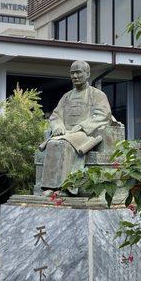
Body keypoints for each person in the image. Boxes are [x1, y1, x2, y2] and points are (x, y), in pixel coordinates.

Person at [39, 60, 112, 191]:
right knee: (53, 143)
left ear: (87, 74)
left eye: (78, 72)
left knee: (62, 144)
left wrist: (83, 126)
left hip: (87, 134)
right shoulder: (66, 97)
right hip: (66, 133)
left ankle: (63, 187)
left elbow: (104, 114)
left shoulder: (97, 95)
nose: (75, 76)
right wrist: (58, 126)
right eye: (72, 73)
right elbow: (55, 115)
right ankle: (50, 187)